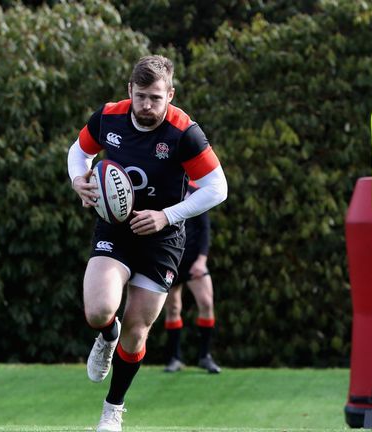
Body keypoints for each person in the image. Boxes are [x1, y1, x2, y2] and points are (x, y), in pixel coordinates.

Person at [67, 55, 228, 432]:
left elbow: (217, 188)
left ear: (170, 94)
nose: (147, 106)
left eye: (156, 98)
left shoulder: (185, 132)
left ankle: (112, 410)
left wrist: (167, 215)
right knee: (98, 311)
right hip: (115, 229)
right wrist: (79, 179)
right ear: (130, 91)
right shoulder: (109, 117)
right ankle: (107, 334)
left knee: (138, 329)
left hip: (163, 239)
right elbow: (80, 151)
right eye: (141, 96)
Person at [163, 183, 221, 374]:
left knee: (206, 304)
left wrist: (201, 260)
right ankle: (174, 358)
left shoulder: (197, 192)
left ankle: (205, 356)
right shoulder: (165, 186)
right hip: (171, 260)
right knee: (172, 308)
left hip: (194, 261)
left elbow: (205, 229)